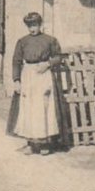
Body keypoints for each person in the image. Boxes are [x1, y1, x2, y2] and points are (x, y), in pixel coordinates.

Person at [10, 13, 63, 155]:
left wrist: (48, 63)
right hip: (28, 75)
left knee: (44, 107)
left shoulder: (50, 40)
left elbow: (59, 57)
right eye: (29, 26)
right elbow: (16, 61)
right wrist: (16, 80)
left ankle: (45, 144)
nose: (32, 28)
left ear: (40, 25)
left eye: (34, 25)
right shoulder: (22, 41)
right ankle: (30, 144)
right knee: (28, 109)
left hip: (43, 75)